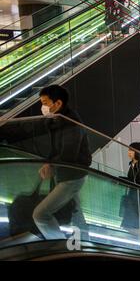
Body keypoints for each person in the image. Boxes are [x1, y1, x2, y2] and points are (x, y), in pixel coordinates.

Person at [32, 85, 92, 240]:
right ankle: (86, 241)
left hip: (72, 176)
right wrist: (49, 163)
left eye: (45, 102)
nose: (42, 107)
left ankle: (58, 244)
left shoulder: (71, 123)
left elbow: (68, 155)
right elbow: (57, 149)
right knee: (75, 210)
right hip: (69, 174)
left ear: (57, 104)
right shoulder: (57, 119)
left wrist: (51, 165)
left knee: (40, 215)